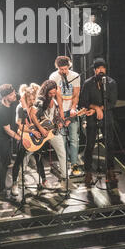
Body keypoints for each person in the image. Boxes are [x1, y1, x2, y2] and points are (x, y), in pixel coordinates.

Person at [79, 58, 118, 187]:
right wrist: (95, 108)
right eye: (98, 68)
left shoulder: (111, 83)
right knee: (90, 145)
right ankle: (88, 172)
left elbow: (112, 102)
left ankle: (110, 170)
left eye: (103, 68)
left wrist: (99, 109)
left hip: (107, 116)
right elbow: (83, 102)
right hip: (91, 117)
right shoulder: (88, 83)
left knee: (110, 145)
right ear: (95, 70)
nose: (101, 70)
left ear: (105, 69)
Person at [11, 83, 51, 196]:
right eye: (31, 98)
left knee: (39, 158)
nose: (33, 101)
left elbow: (40, 120)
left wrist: (43, 128)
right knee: (19, 161)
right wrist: (32, 131)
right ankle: (15, 184)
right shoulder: (20, 108)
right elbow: (19, 125)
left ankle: (44, 180)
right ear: (27, 98)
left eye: (34, 98)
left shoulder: (35, 107)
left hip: (34, 136)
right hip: (23, 136)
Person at [49, 56, 81, 176]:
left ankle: (74, 164)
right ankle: (64, 164)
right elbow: (56, 96)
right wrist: (61, 114)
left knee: (73, 139)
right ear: (57, 67)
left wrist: (73, 108)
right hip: (59, 111)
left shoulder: (75, 76)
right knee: (61, 140)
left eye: (66, 69)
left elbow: (76, 94)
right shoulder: (53, 77)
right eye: (61, 69)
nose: (64, 71)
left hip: (71, 111)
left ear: (69, 66)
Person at [30, 80, 67, 183]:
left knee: (62, 153)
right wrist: (41, 128)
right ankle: (19, 177)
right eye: (50, 93)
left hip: (53, 131)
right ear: (46, 92)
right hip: (41, 131)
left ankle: (65, 177)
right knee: (28, 153)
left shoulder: (56, 97)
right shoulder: (40, 100)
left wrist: (60, 122)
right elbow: (32, 115)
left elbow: (58, 113)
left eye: (54, 93)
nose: (52, 95)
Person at [0, 84, 21, 197]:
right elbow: (8, 131)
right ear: (5, 97)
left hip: (7, 131)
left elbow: (21, 97)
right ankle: (1, 187)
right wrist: (20, 138)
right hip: (0, 135)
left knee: (4, 156)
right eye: (12, 95)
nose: (14, 96)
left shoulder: (12, 97)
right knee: (5, 160)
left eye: (14, 93)